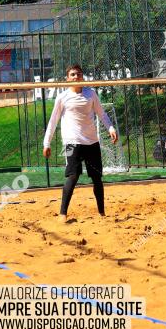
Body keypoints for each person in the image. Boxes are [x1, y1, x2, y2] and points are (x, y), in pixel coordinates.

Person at [42, 63, 117, 222]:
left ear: (83, 76)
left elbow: (102, 114)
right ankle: (63, 214)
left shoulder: (91, 94)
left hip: (92, 142)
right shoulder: (62, 97)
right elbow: (53, 121)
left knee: (97, 178)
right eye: (73, 75)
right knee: (73, 175)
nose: (76, 77)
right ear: (67, 78)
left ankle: (101, 213)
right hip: (71, 143)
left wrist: (111, 128)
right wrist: (46, 143)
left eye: (79, 74)